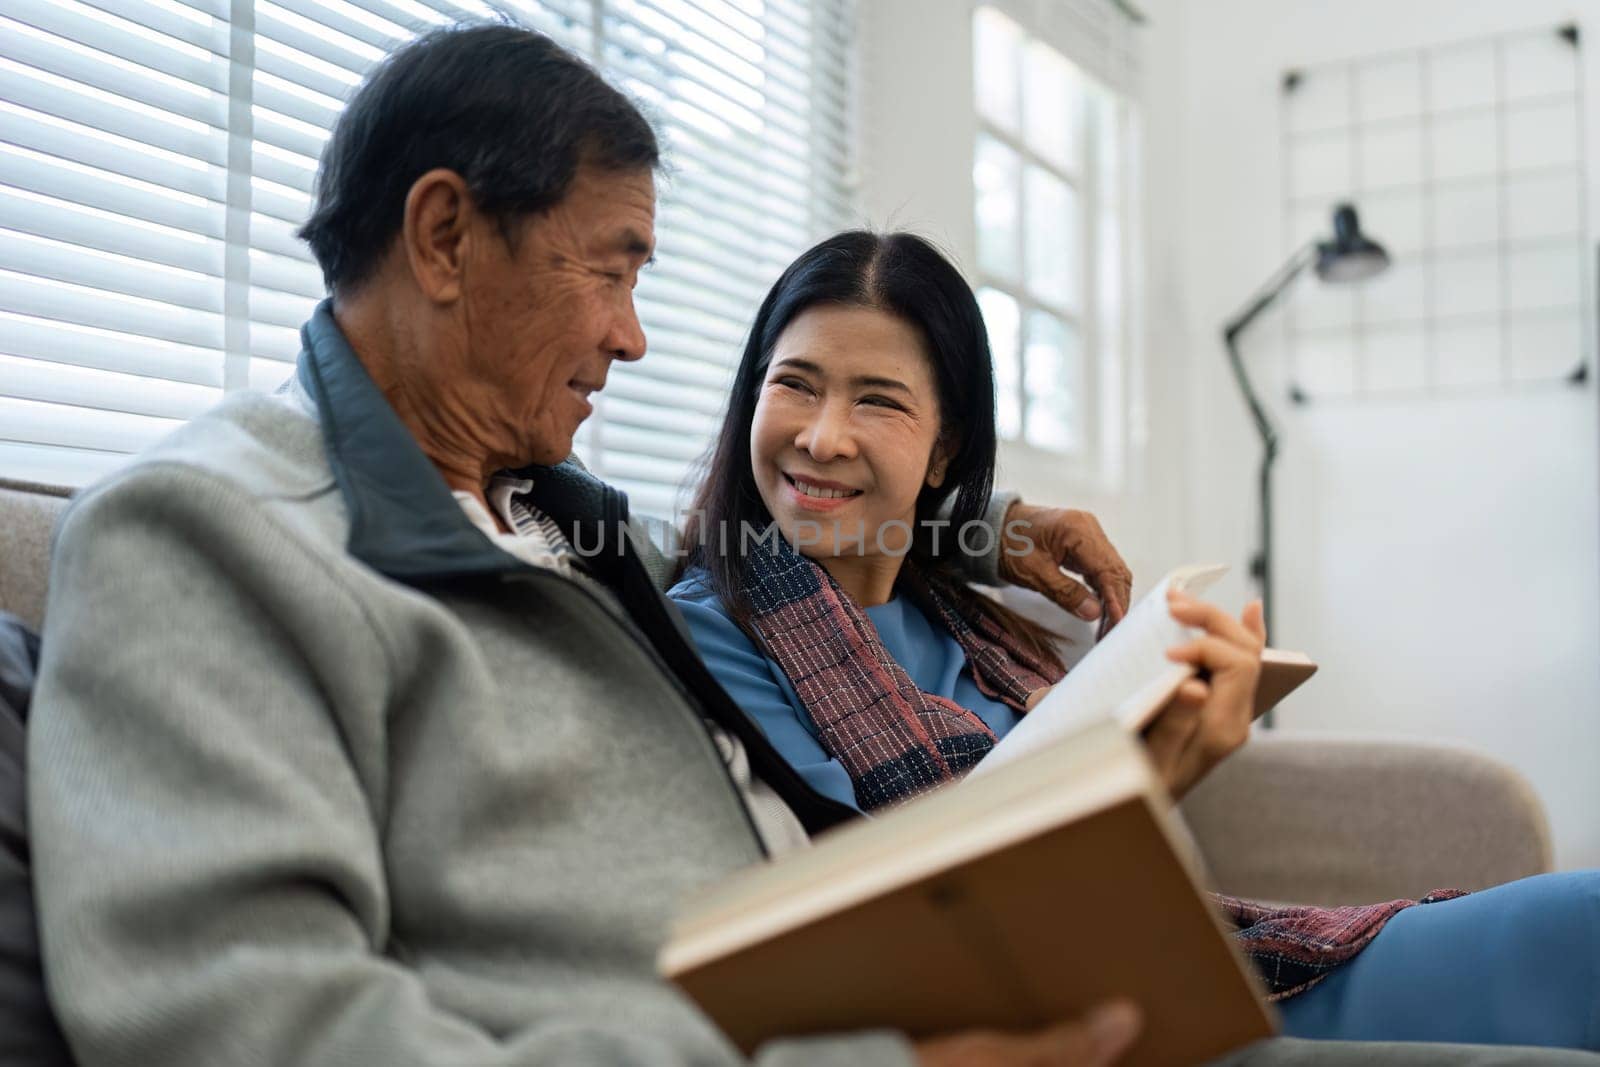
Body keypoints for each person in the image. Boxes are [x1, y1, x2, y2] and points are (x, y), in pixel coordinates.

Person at [26, 23, 1595, 1067]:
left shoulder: (547, 506)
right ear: (443, 236)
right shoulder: (207, 536)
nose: (640, 339)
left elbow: (777, 532)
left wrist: (993, 527)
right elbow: (240, 1021)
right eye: (610, 270)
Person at [668, 229, 1600, 1052]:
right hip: (1087, 1017)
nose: (823, 438)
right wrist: (1142, 786)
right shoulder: (714, 633)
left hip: (1203, 947)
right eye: (794, 385)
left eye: (878, 401)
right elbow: (892, 920)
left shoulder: (964, 606)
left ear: (945, 448)